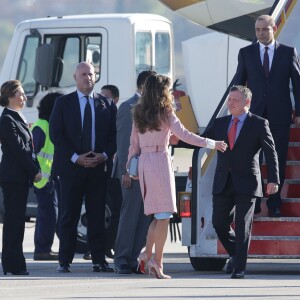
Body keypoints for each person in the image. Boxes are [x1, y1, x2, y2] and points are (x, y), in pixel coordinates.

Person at [127, 74, 227, 279]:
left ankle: (147, 254)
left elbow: (133, 144)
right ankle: (157, 260)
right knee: (164, 215)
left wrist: (131, 167)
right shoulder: (165, 112)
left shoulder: (138, 111)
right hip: (160, 161)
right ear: (162, 90)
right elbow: (185, 135)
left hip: (144, 162)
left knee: (156, 215)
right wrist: (212, 143)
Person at [204, 85, 279, 279]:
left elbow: (271, 153)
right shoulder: (220, 123)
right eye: (229, 99)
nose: (230, 103)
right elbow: (203, 139)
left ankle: (240, 268)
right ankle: (237, 255)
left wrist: (273, 180)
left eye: (235, 100)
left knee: (242, 225)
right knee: (219, 224)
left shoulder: (259, 123)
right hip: (223, 181)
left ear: (247, 102)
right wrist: (177, 138)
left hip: (247, 182)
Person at [49, 62, 117, 273]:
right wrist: (74, 157)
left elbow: (115, 135)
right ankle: (65, 261)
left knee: (97, 215)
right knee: (69, 215)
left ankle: (99, 260)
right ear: (75, 77)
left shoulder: (106, 103)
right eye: (83, 74)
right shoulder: (63, 103)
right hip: (72, 169)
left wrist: (104, 155)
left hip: (98, 168)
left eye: (91, 74)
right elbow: (56, 134)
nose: (88, 77)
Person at [233, 14, 300, 217]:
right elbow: (239, 82)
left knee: (277, 158)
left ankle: (274, 203)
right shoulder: (246, 53)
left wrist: (299, 112)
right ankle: (254, 201)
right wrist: (235, 108)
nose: (261, 34)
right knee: (253, 158)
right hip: (253, 115)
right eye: (257, 30)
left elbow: (297, 84)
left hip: (279, 114)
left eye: (264, 29)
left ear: (274, 28)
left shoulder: (288, 53)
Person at [113, 70, 155, 275]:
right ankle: (121, 258)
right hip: (133, 171)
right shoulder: (128, 107)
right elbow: (124, 144)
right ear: (144, 86)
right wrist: (126, 171)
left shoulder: (153, 108)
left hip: (151, 171)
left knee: (144, 218)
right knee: (130, 216)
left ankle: (132, 259)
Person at [0, 80, 42, 275]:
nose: (25, 97)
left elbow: (29, 148)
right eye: (21, 94)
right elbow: (18, 150)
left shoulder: (18, 116)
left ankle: (14, 263)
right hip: (13, 176)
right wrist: (34, 170)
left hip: (20, 176)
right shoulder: (7, 119)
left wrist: (35, 167)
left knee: (17, 221)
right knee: (13, 221)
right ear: (10, 96)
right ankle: (12, 264)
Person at [83, 84, 121, 260]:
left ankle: (108, 246)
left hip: (116, 172)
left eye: (106, 97)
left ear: (115, 99)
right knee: (97, 212)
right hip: (100, 170)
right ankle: (94, 249)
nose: (102, 100)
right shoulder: (98, 115)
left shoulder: (119, 115)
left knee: (114, 212)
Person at [32, 92, 63, 261]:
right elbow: (33, 152)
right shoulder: (42, 125)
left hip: (49, 179)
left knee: (50, 214)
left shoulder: (49, 125)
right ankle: (43, 250)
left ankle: (44, 249)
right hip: (42, 180)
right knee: (48, 215)